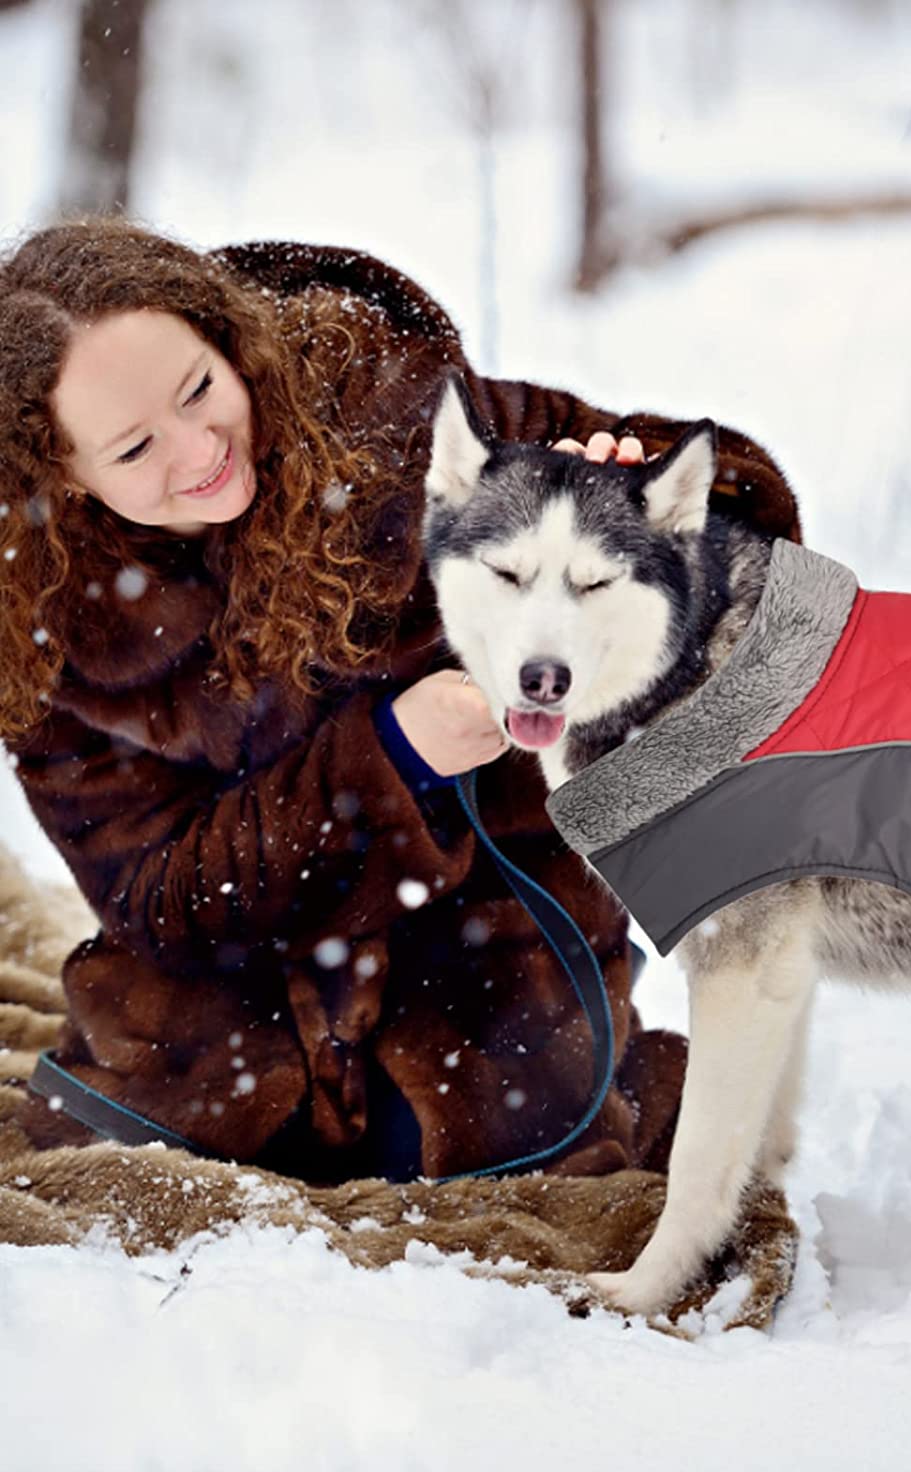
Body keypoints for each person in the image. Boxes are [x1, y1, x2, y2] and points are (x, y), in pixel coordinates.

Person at [0, 220, 800, 1182]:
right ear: (64, 480)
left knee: (506, 1132)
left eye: (201, 388)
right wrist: (391, 758)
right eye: (134, 449)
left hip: (491, 913)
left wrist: (632, 495)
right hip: (243, 954)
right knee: (154, 1138)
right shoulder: (38, 614)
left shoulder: (393, 414)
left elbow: (731, 521)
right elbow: (155, 894)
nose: (198, 447)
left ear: (227, 339)